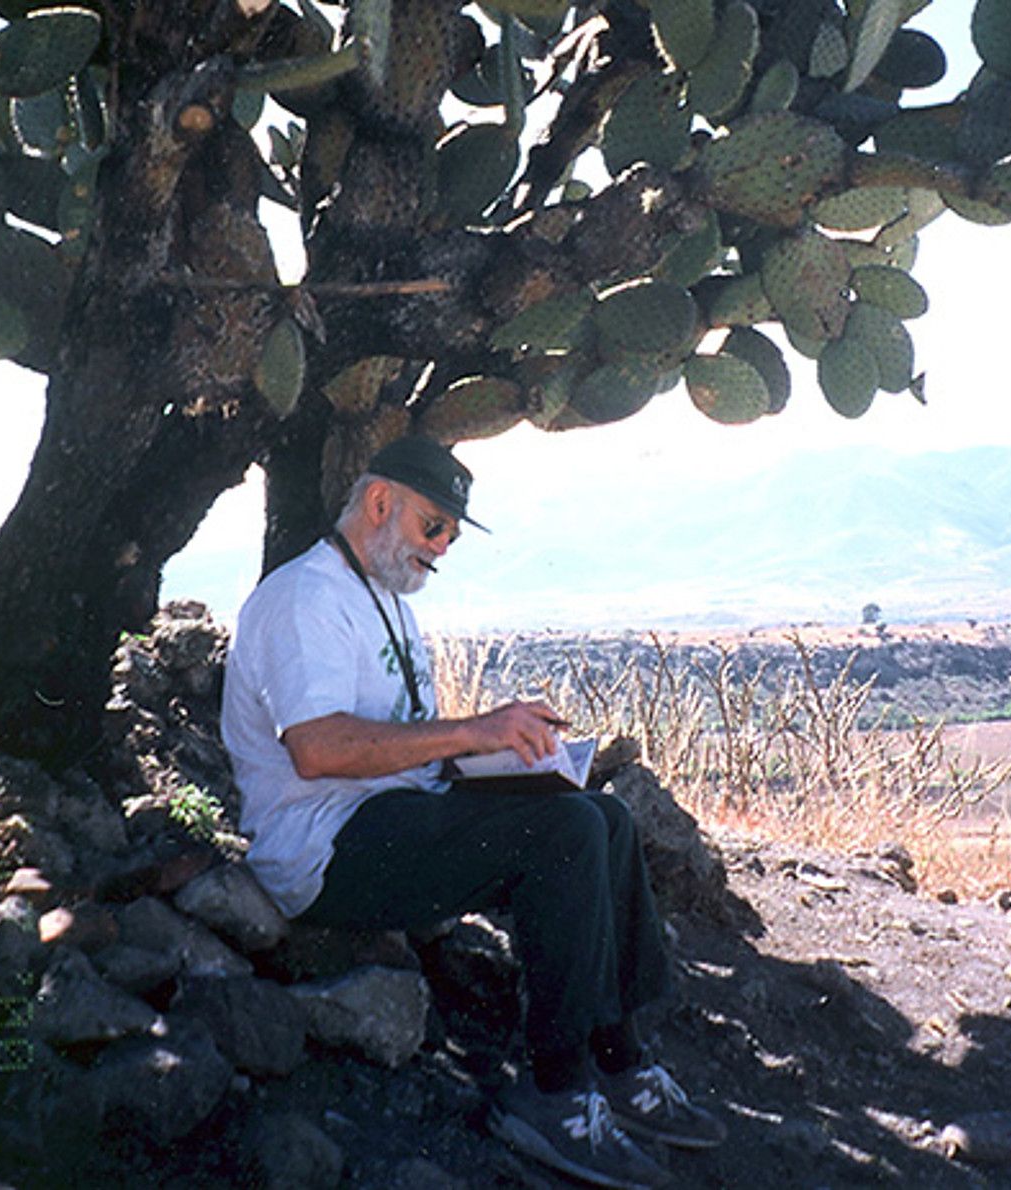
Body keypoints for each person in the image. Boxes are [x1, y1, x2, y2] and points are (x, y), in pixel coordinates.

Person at [221, 436, 726, 1188]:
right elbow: (318, 750)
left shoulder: (384, 599)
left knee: (603, 818)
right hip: (326, 847)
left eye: (452, 534)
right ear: (380, 502)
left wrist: (509, 756)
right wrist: (470, 730)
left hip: (394, 816)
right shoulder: (305, 598)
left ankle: (620, 1063)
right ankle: (554, 1092)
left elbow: (402, 743)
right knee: (566, 834)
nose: (444, 546)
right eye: (435, 526)